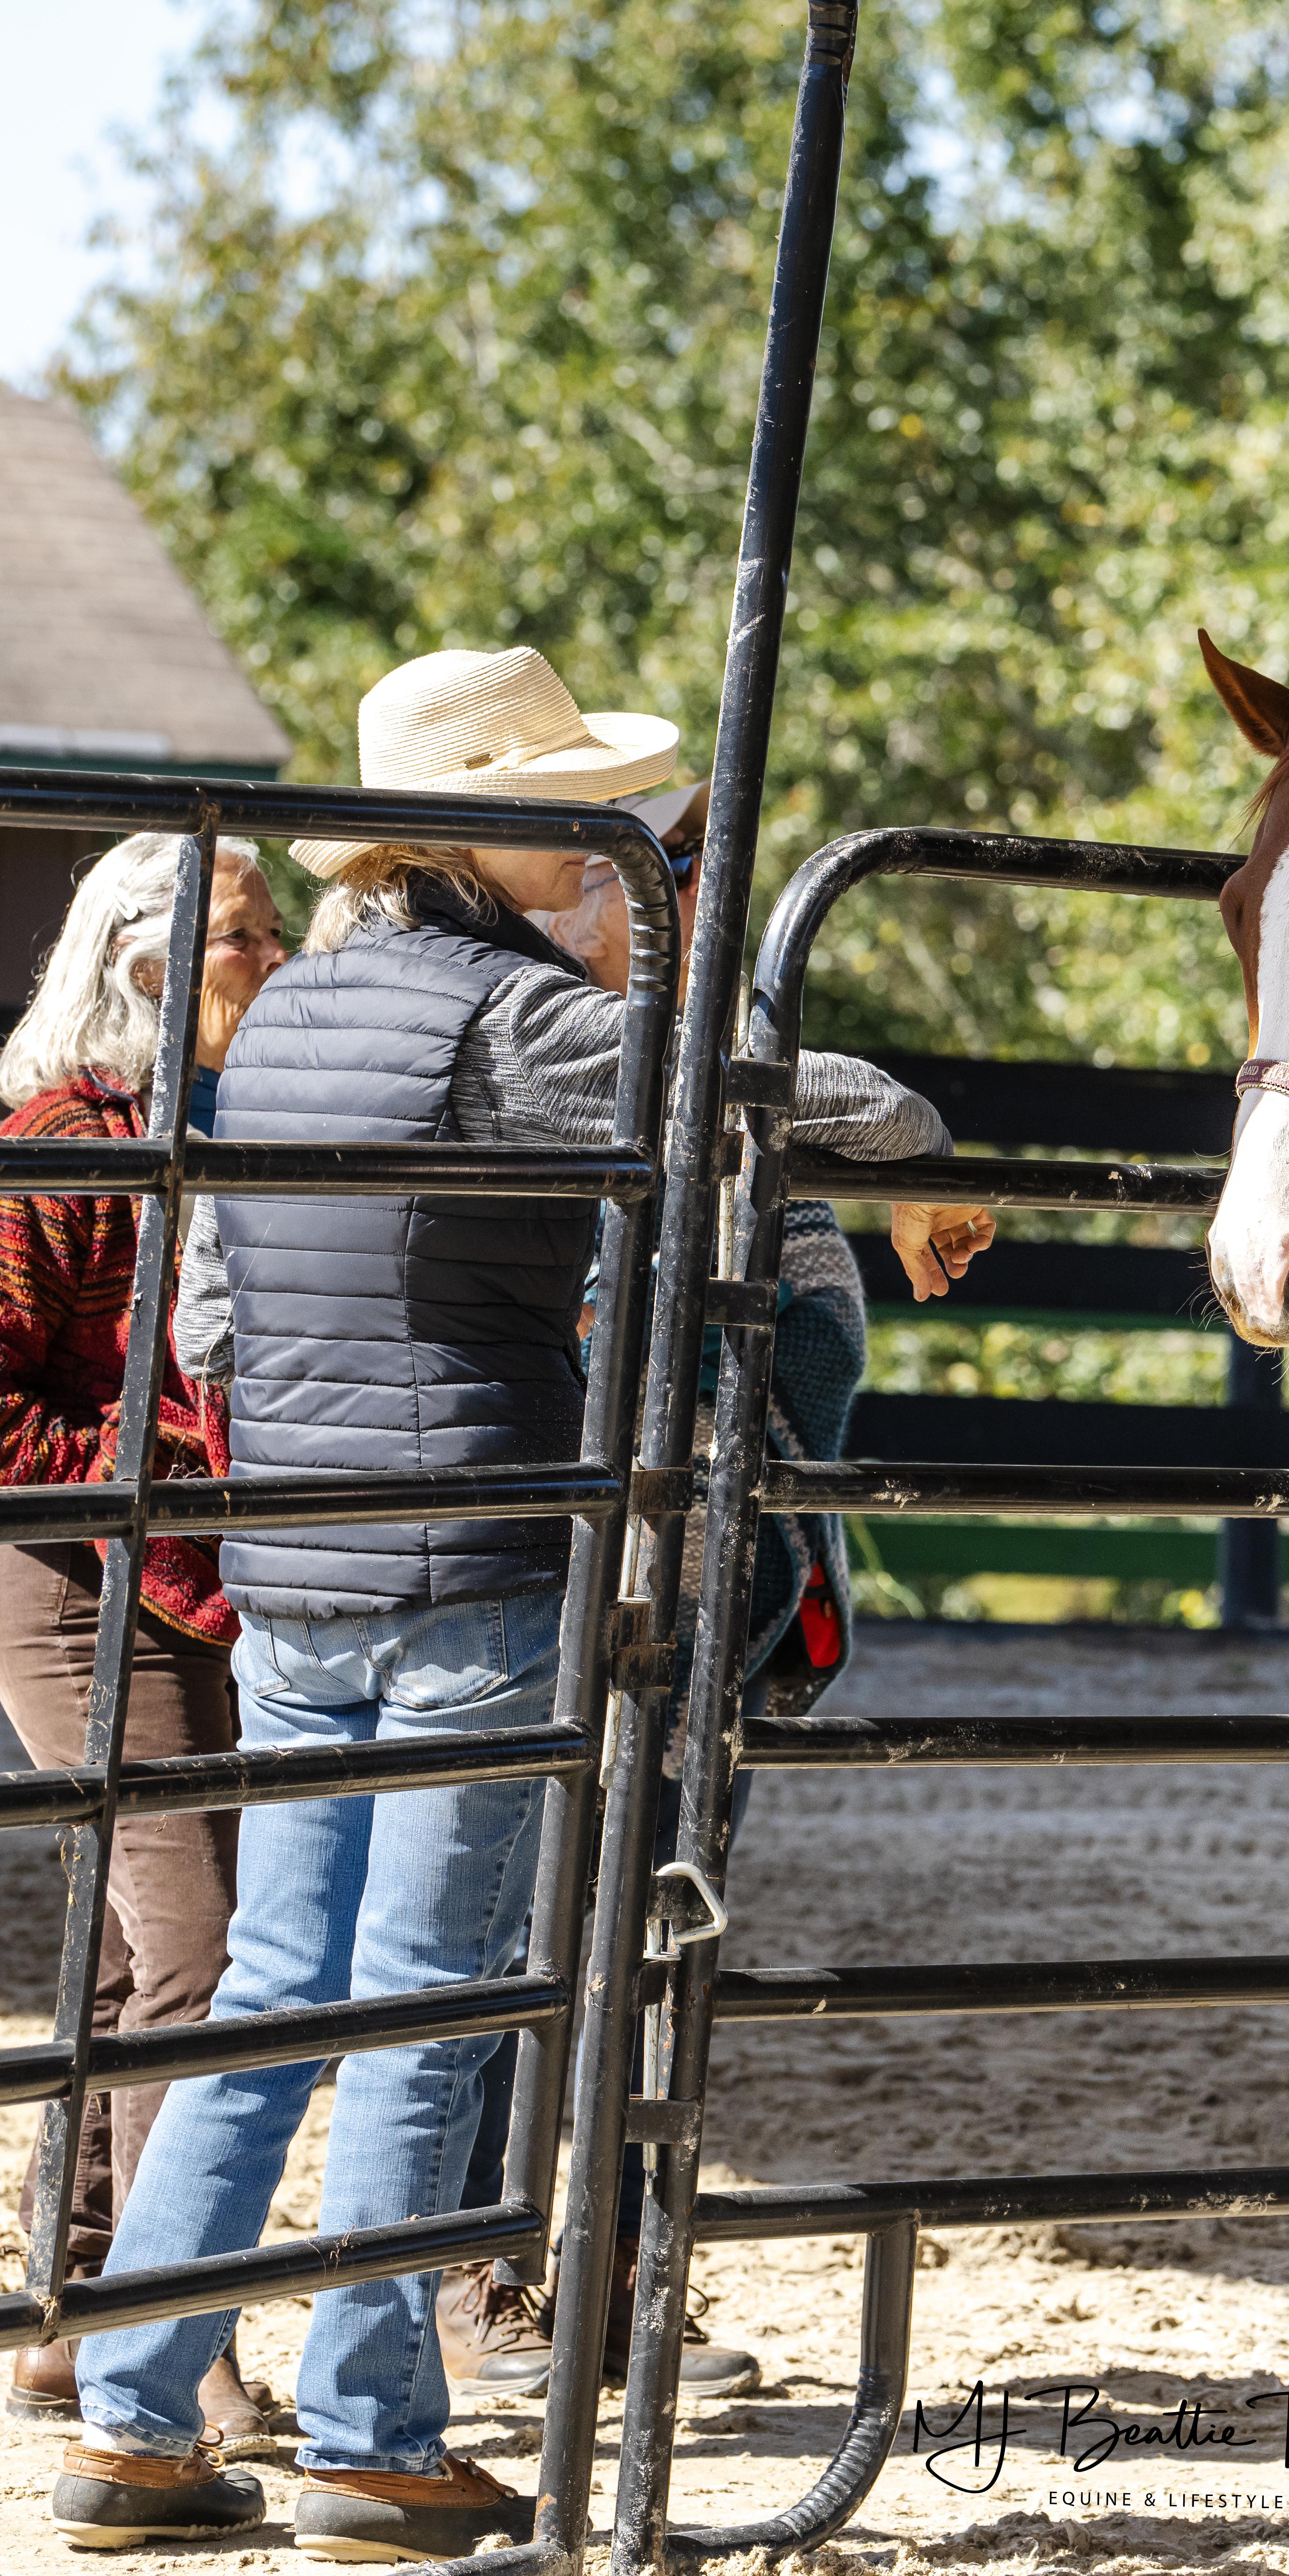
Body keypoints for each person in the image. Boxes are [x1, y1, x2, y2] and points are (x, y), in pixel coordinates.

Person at [45, 646, 992, 2560]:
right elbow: (843, 1103)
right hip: (476, 1566)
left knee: (272, 1994)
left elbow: (219, 1311)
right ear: (517, 843)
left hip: (296, 1566)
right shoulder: (512, 1020)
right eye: (596, 837)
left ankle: (138, 2413)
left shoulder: (289, 1013)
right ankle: (373, 2434)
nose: (617, 867)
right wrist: (906, 1136)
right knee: (432, 2004)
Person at [435, 776, 878, 2407]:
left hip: (710, 1553)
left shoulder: (698, 1048)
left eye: (686, 863)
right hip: (573, 1547)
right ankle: (479, 2282)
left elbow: (807, 1264)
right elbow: (605, 1313)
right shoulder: (547, 1048)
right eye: (655, 864)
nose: (679, 892)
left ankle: (617, 2267)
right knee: (516, 1919)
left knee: (648, 1917)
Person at [0, 832, 288, 2439]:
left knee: (134, 1951)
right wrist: (158, 1483)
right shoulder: (56, 1148)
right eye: (247, 940)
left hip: (166, 1574)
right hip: (75, 1586)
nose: (276, 962)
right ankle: (170, 2334)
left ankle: (71, 2309)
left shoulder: (213, 1134)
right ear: (148, 968)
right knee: (202, 1946)